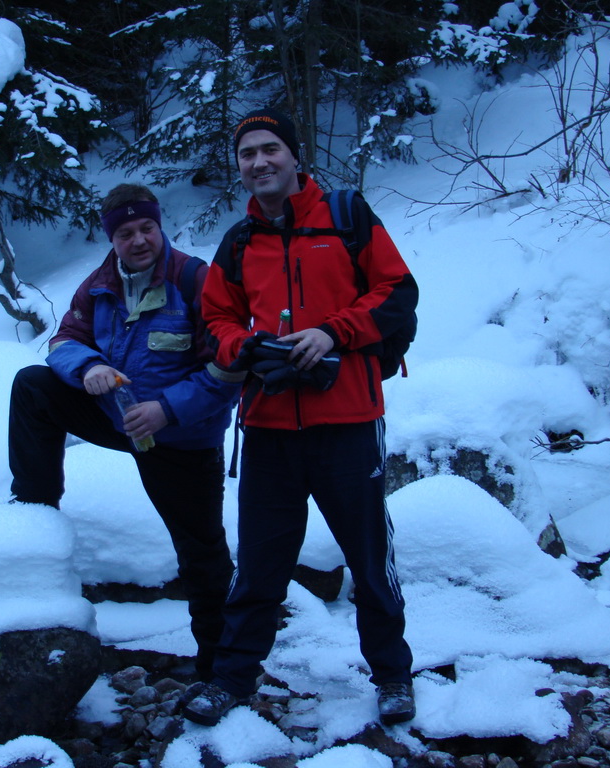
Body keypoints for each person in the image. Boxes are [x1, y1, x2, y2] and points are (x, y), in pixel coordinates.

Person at [183, 108, 419, 726]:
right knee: (260, 561)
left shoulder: (346, 217)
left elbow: (397, 294)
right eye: (247, 154)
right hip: (267, 426)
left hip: (348, 418)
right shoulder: (238, 242)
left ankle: (393, 675)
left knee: (369, 558)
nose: (259, 162)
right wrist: (243, 348)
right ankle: (232, 679)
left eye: (270, 150)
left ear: (293, 155)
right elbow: (216, 320)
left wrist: (332, 334)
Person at [7, 183, 244, 682]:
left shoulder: (196, 280)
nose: (138, 240)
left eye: (146, 228)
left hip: (181, 439)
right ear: (112, 239)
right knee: (33, 386)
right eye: (126, 233)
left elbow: (228, 367)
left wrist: (166, 410)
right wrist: (88, 365)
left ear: (161, 228)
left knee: (202, 551)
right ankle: (32, 512)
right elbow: (65, 338)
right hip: (118, 418)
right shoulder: (99, 284)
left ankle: (220, 665)